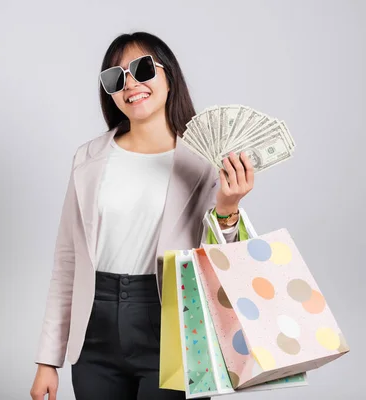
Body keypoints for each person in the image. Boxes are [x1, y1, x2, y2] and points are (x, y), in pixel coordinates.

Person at [30, 31, 254, 400]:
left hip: (175, 318)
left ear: (170, 77)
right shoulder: (88, 158)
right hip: (94, 327)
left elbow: (224, 265)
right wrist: (47, 360)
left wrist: (228, 209)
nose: (130, 83)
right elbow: (68, 261)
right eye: (116, 77)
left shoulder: (204, 161)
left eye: (142, 68)